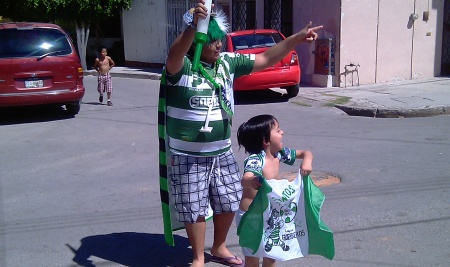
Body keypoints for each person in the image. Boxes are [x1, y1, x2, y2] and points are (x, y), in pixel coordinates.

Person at [160, 1, 322, 266]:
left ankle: (219, 246)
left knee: (227, 201)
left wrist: (296, 38)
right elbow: (174, 54)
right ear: (198, 42)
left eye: (220, 40)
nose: (219, 46)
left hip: (221, 152)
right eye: (212, 41)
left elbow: (266, 58)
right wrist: (194, 26)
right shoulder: (182, 67)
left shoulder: (227, 63)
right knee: (194, 207)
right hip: (187, 155)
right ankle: (199, 257)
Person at [235, 114, 313, 267]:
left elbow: (305, 153)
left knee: (271, 255)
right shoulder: (256, 159)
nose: (282, 132)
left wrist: (307, 162)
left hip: (272, 215)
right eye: (277, 130)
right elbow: (245, 179)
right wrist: (253, 180)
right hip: (252, 217)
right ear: (266, 141)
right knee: (252, 259)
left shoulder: (279, 154)